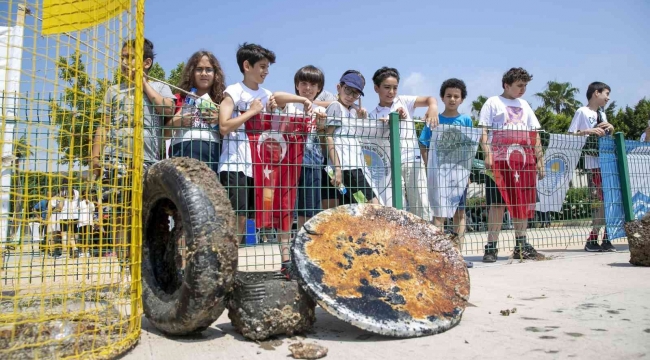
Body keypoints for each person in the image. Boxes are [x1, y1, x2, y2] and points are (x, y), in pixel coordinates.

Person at [91, 38, 175, 270]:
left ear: (147, 63)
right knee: (120, 216)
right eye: (123, 58)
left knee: (151, 215)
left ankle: (151, 265)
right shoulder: (113, 91)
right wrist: (95, 157)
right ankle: (126, 267)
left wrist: (143, 84)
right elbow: (103, 126)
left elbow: (167, 109)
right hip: (116, 162)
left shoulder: (159, 87)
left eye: (132, 58)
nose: (126, 63)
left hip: (148, 163)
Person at [479, 67, 545, 263]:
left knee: (521, 203)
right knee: (497, 204)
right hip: (500, 162)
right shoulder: (492, 102)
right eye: (519, 85)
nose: (523, 89)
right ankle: (491, 246)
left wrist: (539, 160)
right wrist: (487, 154)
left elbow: (535, 134)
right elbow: (483, 131)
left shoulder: (525, 104)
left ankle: (521, 244)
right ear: (506, 85)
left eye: (525, 85)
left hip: (523, 161)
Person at [218, 43, 277, 244]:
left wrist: (304, 102)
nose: (266, 71)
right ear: (247, 65)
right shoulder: (233, 91)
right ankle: (227, 266)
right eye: (262, 66)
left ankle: (235, 266)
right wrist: (251, 111)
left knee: (251, 217)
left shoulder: (266, 95)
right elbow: (224, 126)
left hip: (258, 166)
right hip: (235, 164)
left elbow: (281, 98)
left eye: (267, 67)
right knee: (237, 217)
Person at [273, 65, 328, 278]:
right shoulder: (290, 106)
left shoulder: (321, 111)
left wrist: (322, 127)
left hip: (313, 166)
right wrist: (303, 101)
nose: (308, 88)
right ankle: (285, 260)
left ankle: (303, 257)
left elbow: (323, 143)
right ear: (296, 85)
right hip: (288, 166)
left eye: (313, 84)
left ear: (319, 88)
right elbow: (276, 97)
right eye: (304, 83)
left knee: (308, 214)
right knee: (286, 213)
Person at [368, 67, 439, 221]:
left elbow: (430, 99)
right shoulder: (372, 115)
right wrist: (386, 125)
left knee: (421, 204)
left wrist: (433, 107)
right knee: (395, 207)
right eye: (387, 87)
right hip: (390, 166)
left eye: (395, 88)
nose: (391, 92)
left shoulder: (404, 101)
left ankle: (424, 242)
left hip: (413, 161)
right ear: (376, 88)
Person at [419, 78, 473, 248]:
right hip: (439, 175)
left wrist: (467, 172)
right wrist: (429, 168)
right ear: (442, 97)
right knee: (439, 213)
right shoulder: (434, 119)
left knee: (460, 212)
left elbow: (469, 149)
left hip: (459, 175)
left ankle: (457, 251)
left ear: (462, 99)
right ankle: (439, 251)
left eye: (456, 96)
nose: (452, 99)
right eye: (448, 95)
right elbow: (423, 144)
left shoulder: (466, 120)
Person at [568, 82, 616, 252]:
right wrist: (588, 131)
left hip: (608, 162)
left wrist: (611, 127)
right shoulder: (582, 112)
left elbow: (608, 136)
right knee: (602, 202)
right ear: (596, 93)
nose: (608, 97)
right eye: (606, 93)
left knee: (612, 200)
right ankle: (592, 239)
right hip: (594, 163)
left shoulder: (603, 114)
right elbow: (571, 134)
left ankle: (608, 237)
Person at [325, 70, 379, 208]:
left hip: (355, 168)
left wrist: (360, 115)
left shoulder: (352, 111)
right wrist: (337, 168)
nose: (350, 96)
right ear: (339, 88)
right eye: (347, 90)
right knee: (374, 206)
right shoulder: (335, 107)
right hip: (347, 169)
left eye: (355, 93)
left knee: (358, 209)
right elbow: (329, 137)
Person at [166, 50, 225, 174]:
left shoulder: (223, 101)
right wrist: (176, 122)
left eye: (208, 69)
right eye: (199, 69)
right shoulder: (178, 98)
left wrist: (221, 120)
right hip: (181, 155)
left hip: (212, 156)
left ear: (215, 74)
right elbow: (164, 134)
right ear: (191, 73)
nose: (204, 73)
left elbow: (230, 134)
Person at [77, 189, 96, 257]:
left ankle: (87, 251)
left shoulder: (91, 203)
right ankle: (82, 252)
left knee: (87, 237)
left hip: (89, 222)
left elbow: (92, 211)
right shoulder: (80, 203)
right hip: (82, 222)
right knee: (82, 237)